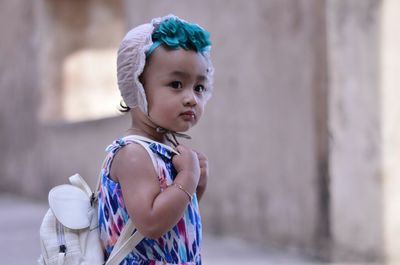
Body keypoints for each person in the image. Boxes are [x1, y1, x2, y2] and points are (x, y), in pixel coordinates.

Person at [98, 14, 214, 265]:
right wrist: (188, 178)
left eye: (199, 87)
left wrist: (196, 188)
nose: (191, 98)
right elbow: (152, 223)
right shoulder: (133, 154)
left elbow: (174, 221)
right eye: (176, 84)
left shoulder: (163, 150)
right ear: (136, 86)